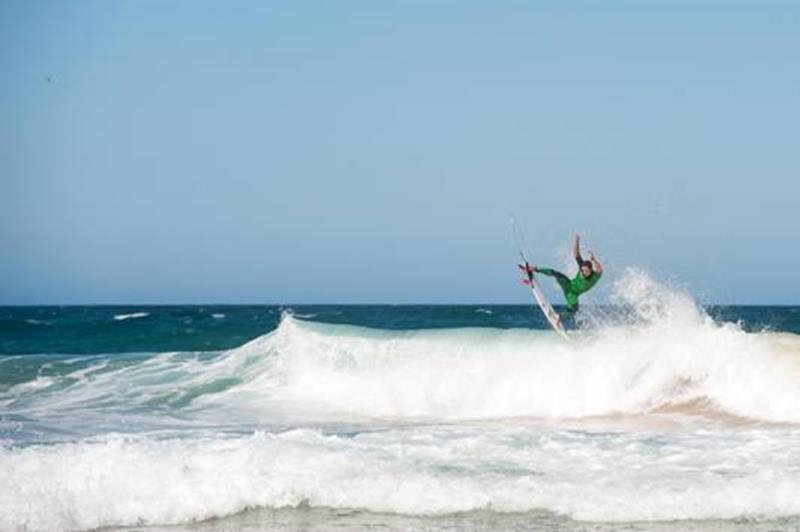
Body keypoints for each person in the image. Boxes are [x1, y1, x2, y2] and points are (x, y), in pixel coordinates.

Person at [520, 234, 603, 320]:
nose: (583, 272)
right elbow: (576, 254)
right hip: (568, 284)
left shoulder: (595, 276)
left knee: (574, 308)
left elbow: (600, 269)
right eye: (582, 270)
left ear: (591, 270)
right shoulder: (582, 267)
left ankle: (559, 317)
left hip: (573, 294)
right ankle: (534, 269)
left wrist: (594, 260)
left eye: (586, 271)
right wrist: (577, 241)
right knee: (555, 273)